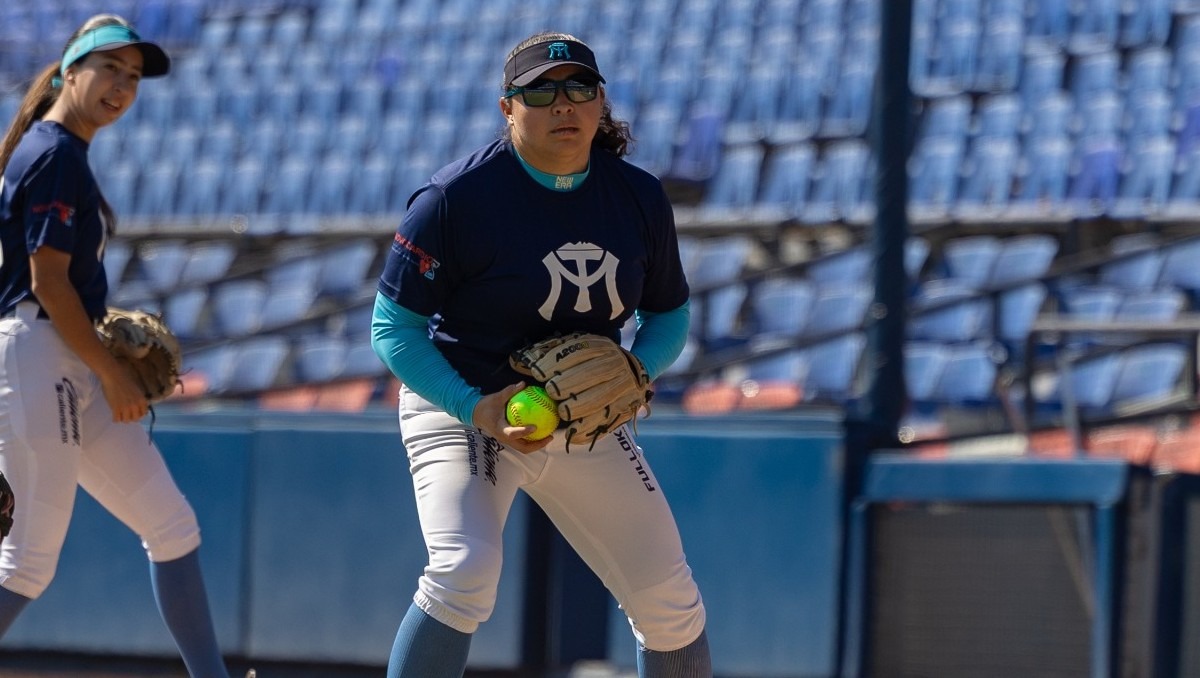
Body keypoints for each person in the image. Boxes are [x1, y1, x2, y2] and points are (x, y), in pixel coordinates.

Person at [372, 31, 711, 678]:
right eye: (541, 91)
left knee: (670, 601)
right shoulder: (455, 200)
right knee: (463, 572)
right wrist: (474, 407)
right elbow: (393, 328)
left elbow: (668, 313)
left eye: (579, 87)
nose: (564, 104)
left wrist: (639, 368)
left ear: (600, 100)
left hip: (582, 415)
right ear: (508, 107)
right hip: (464, 400)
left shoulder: (637, 196)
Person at [0, 15, 238, 678]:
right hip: (38, 353)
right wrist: (112, 373)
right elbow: (47, 284)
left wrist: (98, 364)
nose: (123, 86)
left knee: (173, 526)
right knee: (26, 564)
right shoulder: (51, 154)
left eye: (133, 77)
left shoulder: (64, 153)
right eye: (110, 68)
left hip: (65, 355)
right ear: (71, 70)